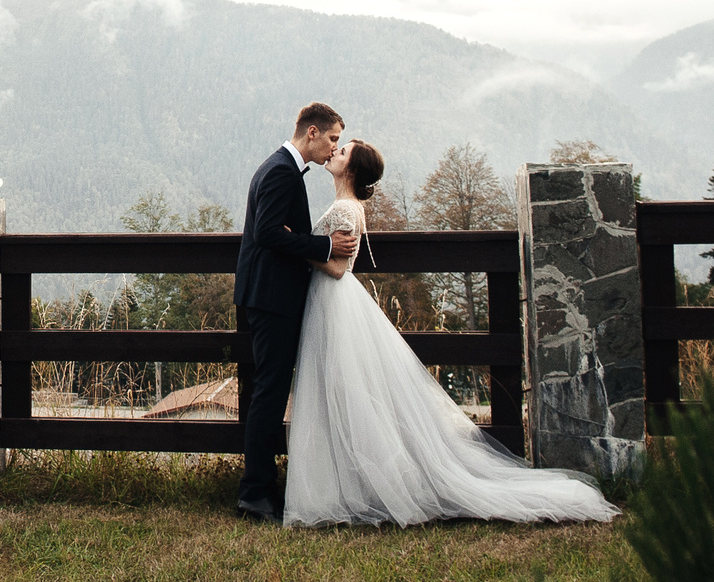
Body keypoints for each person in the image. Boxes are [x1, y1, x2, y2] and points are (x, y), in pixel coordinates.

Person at [283, 138, 617, 527]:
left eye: (343, 152)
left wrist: (296, 245)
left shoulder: (345, 207)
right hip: (335, 305)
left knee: (341, 391)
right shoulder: (350, 205)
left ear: (352, 170)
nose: (335, 153)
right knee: (344, 393)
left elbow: (338, 268)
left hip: (335, 303)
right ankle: (349, 484)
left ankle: (346, 489)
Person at [232, 102, 357, 523]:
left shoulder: (279, 167)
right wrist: (324, 247)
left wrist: (299, 239)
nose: (333, 147)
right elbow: (267, 233)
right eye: (333, 138)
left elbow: (275, 233)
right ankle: (254, 493)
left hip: (269, 295)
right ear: (312, 133)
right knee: (268, 393)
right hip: (271, 298)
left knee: (268, 391)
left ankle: (262, 487)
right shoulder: (282, 172)